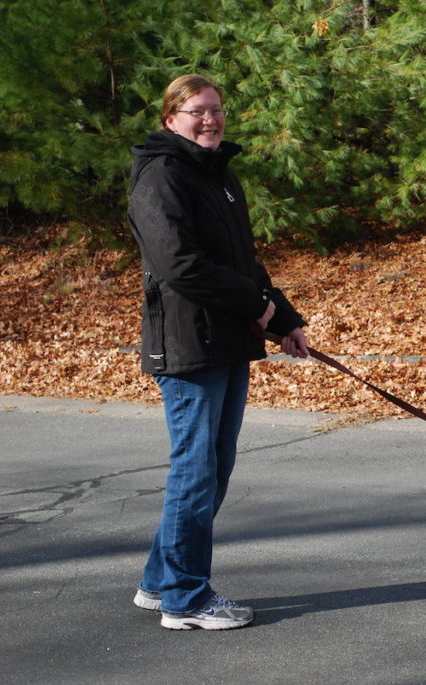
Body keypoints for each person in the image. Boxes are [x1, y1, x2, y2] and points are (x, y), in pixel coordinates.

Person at [127, 74, 309, 630]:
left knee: (214, 469)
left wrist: (284, 318)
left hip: (229, 340)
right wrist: (256, 307)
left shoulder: (220, 177)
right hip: (188, 346)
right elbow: (181, 267)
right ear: (170, 119)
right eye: (198, 112)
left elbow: (242, 263)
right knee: (195, 472)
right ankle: (186, 599)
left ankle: (161, 582)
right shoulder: (161, 178)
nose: (211, 120)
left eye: (217, 110)